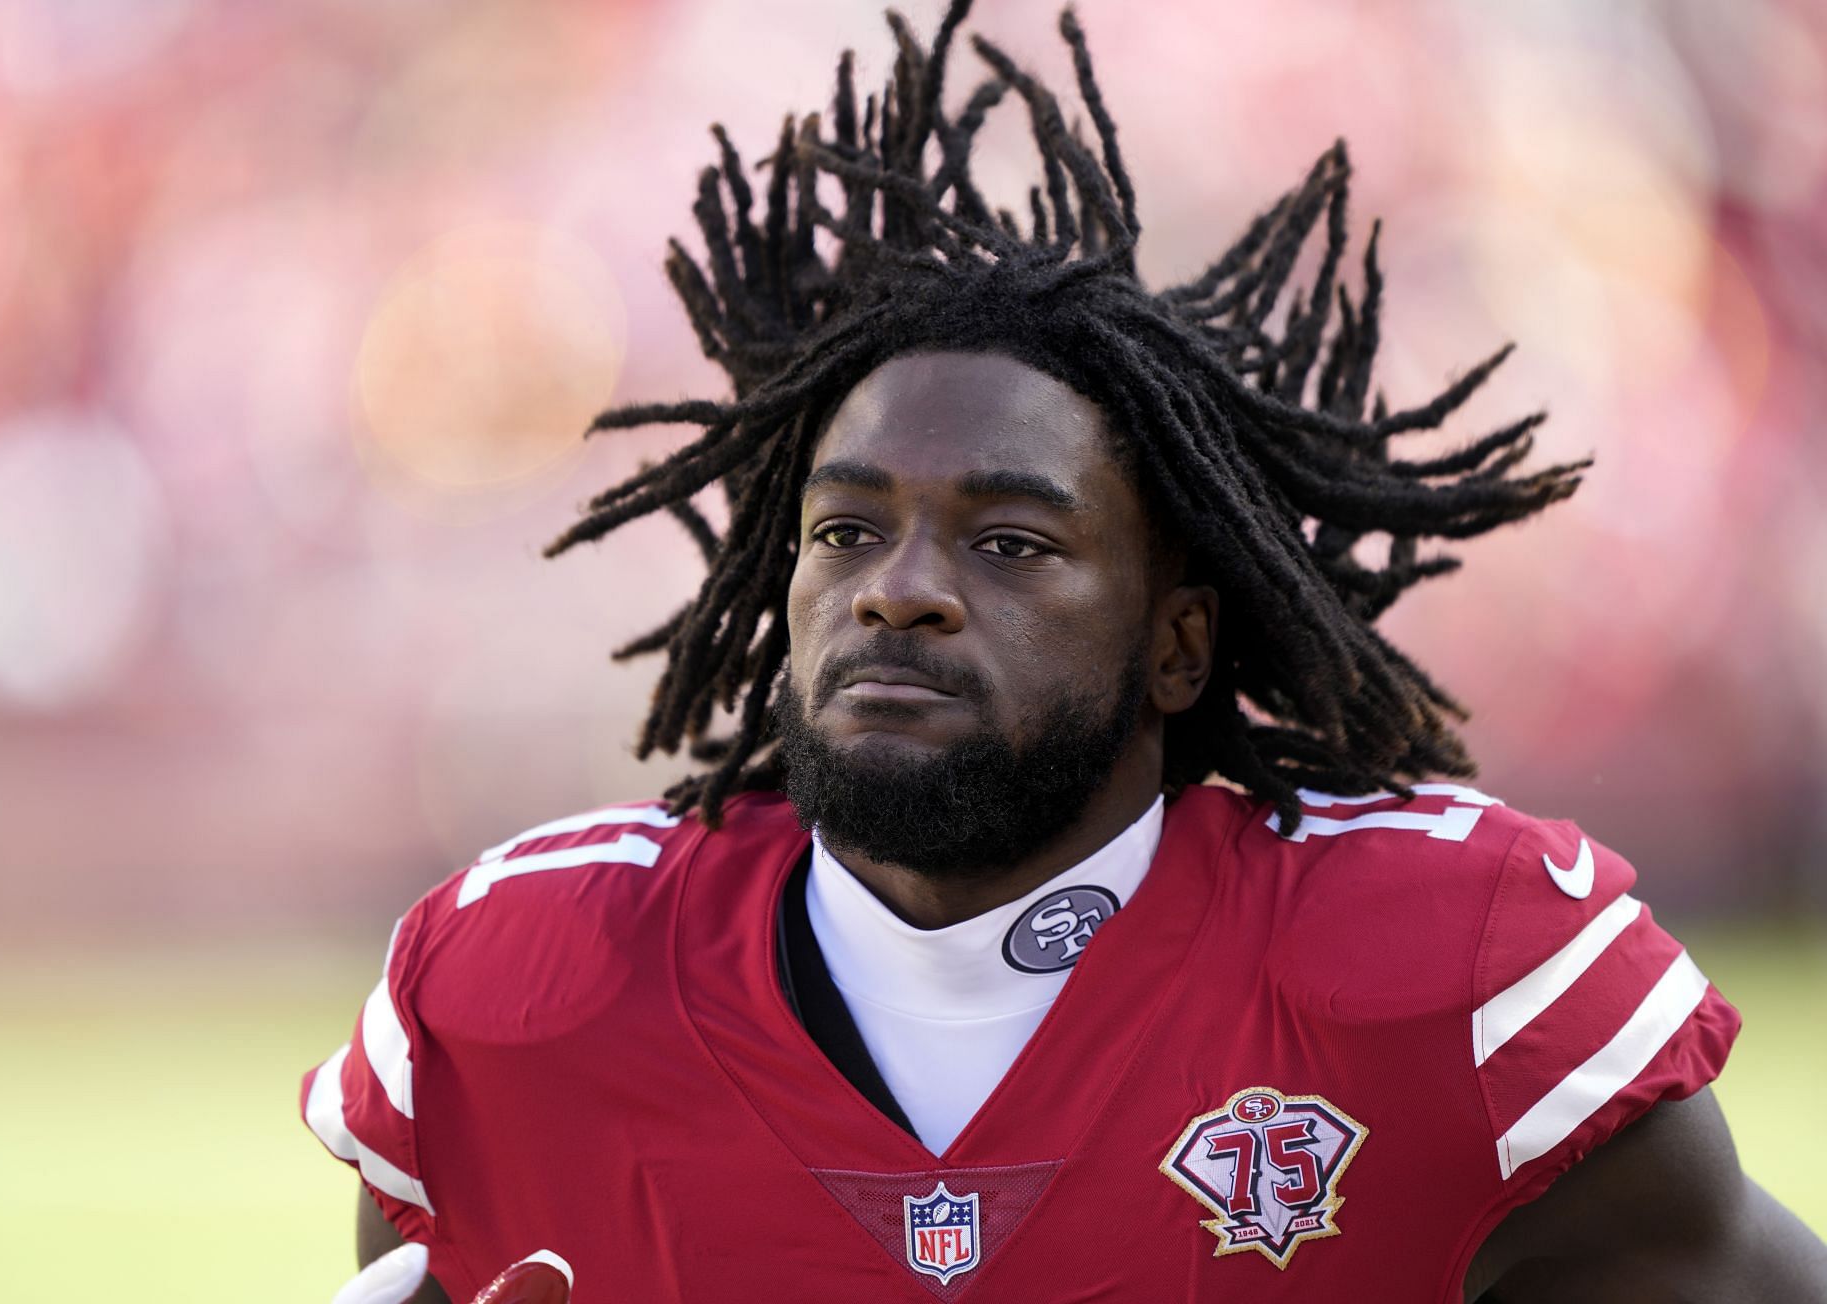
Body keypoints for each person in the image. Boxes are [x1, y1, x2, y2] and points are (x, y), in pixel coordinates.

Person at [303, 3, 1827, 1299]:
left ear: (1177, 644)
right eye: (843, 534)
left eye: (1009, 544)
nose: (899, 593)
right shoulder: (518, 990)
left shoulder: (1454, 973)